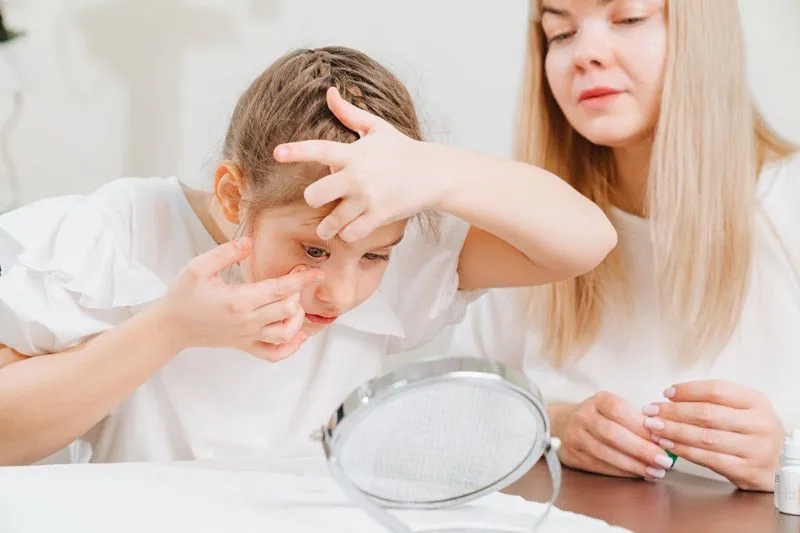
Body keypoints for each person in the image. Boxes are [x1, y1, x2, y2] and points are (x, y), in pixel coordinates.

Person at [0, 46, 616, 465]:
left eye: (375, 257)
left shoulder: (391, 238)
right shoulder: (116, 235)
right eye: (314, 248)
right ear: (232, 195)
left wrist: (436, 173)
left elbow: (586, 241)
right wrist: (170, 329)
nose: (341, 293)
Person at [448, 0, 799, 492]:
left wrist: (789, 464)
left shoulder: (789, 203)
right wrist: (551, 426)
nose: (584, 55)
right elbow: (453, 411)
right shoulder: (528, 231)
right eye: (560, 33)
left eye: (629, 19)